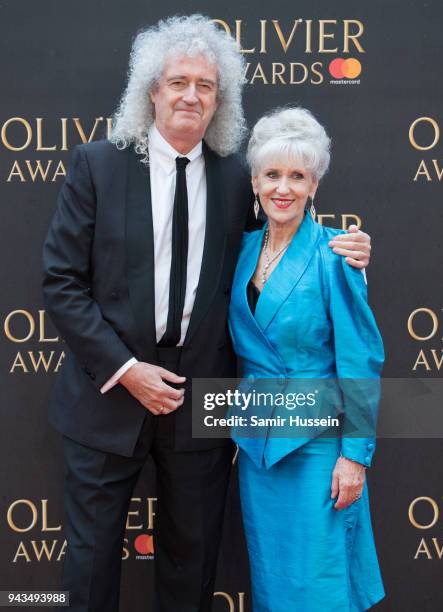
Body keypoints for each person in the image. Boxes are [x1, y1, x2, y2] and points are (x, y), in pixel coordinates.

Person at [42, 15, 372, 612]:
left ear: (221, 99)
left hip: (203, 403)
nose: (192, 95)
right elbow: (61, 282)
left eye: (207, 86)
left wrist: (347, 246)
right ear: (152, 90)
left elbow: (282, 248)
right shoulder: (97, 165)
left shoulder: (234, 177)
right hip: (106, 395)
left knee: (190, 567)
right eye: (179, 82)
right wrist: (126, 369)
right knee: (89, 568)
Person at [228, 107, 385, 611]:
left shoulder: (335, 253)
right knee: (274, 583)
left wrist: (354, 458)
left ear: (314, 185)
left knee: (318, 584)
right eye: (273, 174)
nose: (283, 188)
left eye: (297, 176)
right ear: (255, 180)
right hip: (257, 449)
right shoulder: (240, 251)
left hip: (318, 447)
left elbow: (360, 362)